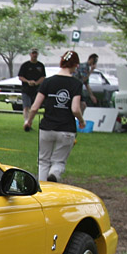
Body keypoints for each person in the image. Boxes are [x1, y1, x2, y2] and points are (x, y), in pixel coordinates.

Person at [23, 50, 87, 183]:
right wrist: (81, 121)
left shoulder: (47, 82)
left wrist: (28, 121)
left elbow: (35, 106)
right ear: (75, 65)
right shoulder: (76, 84)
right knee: (59, 161)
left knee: (43, 161)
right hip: (66, 129)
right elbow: (75, 109)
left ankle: (42, 187)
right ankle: (54, 174)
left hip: (47, 128)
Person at [17, 49, 46, 123]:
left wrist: (36, 83)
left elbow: (43, 77)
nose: (34, 55)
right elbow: (20, 77)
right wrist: (28, 82)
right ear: (30, 54)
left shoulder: (40, 65)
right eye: (33, 53)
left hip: (37, 90)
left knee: (34, 107)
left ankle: (30, 121)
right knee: (26, 106)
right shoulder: (25, 65)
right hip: (26, 89)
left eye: (36, 53)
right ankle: (26, 121)